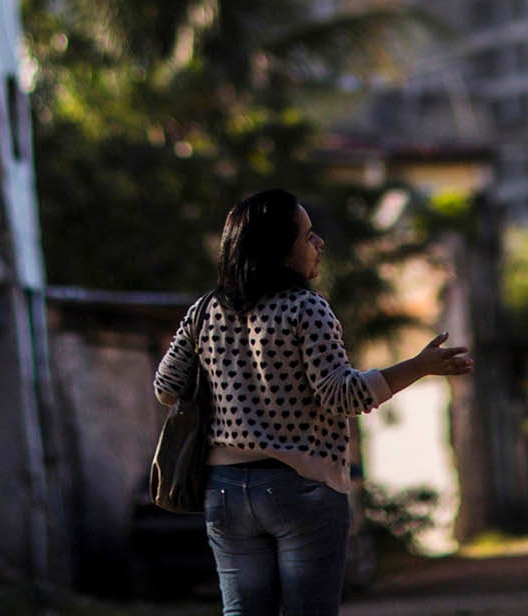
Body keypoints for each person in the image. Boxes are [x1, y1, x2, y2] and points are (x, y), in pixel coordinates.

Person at [155, 188, 472, 616]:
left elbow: (166, 387)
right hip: (302, 489)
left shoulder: (205, 311)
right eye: (306, 236)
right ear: (279, 250)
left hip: (225, 491)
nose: (318, 244)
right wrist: (419, 366)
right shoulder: (307, 309)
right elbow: (343, 395)